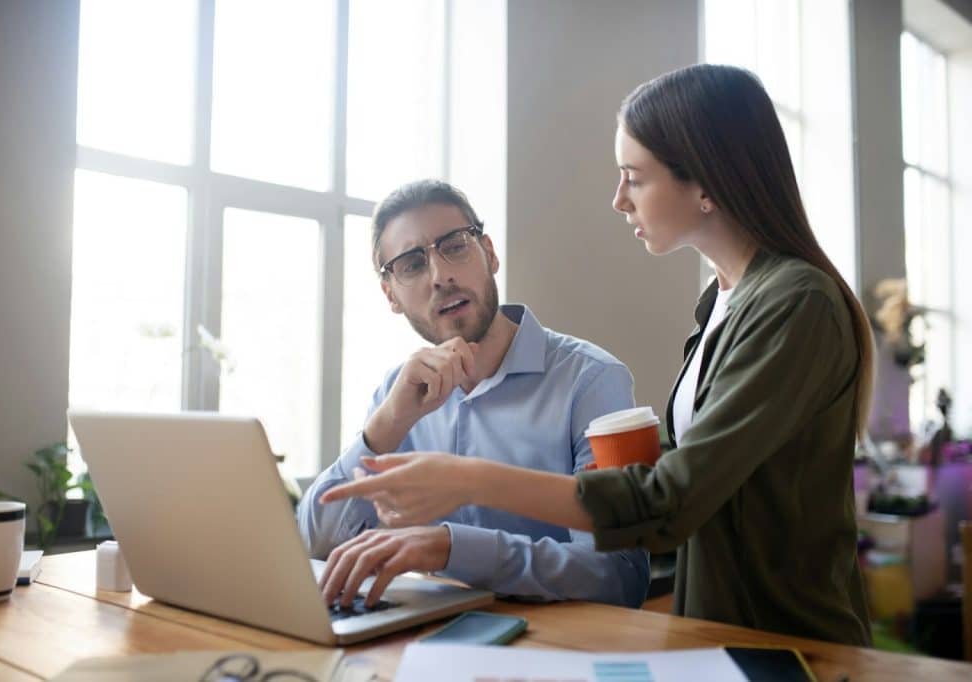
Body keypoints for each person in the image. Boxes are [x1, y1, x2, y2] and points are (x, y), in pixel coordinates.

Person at [322, 65, 875, 646]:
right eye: (411, 265)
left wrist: (466, 482)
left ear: (706, 182)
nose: (619, 200)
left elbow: (669, 501)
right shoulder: (721, 303)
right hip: (719, 639)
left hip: (797, 646)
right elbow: (684, 476)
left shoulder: (795, 302)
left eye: (634, 178)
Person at [298, 179, 649, 610]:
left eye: (455, 246)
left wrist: (451, 548)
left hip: (557, 641)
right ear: (391, 294)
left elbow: (620, 575)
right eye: (412, 264)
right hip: (428, 634)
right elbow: (315, 543)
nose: (440, 276)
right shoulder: (398, 394)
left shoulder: (591, 380)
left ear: (489, 253)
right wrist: (388, 423)